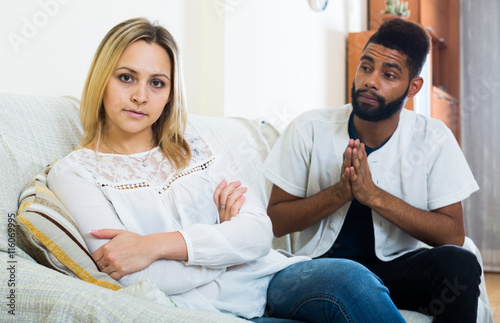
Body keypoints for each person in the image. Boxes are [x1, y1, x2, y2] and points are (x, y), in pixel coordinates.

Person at [47, 17, 406, 322]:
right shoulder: (76, 174)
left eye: (157, 83)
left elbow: (258, 234)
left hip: (267, 277)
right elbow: (140, 277)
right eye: (127, 77)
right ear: (102, 79)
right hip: (202, 309)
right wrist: (225, 244)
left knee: (353, 281)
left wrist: (158, 244)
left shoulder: (198, 146)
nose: (141, 96)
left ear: (170, 94)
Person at [263, 18, 481, 322]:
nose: (371, 81)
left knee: (460, 263)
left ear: (413, 86)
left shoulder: (433, 138)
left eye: (389, 74)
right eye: (366, 67)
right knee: (350, 277)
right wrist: (339, 194)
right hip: (317, 270)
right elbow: (274, 222)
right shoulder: (309, 128)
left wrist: (374, 196)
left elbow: (453, 234)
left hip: (393, 270)